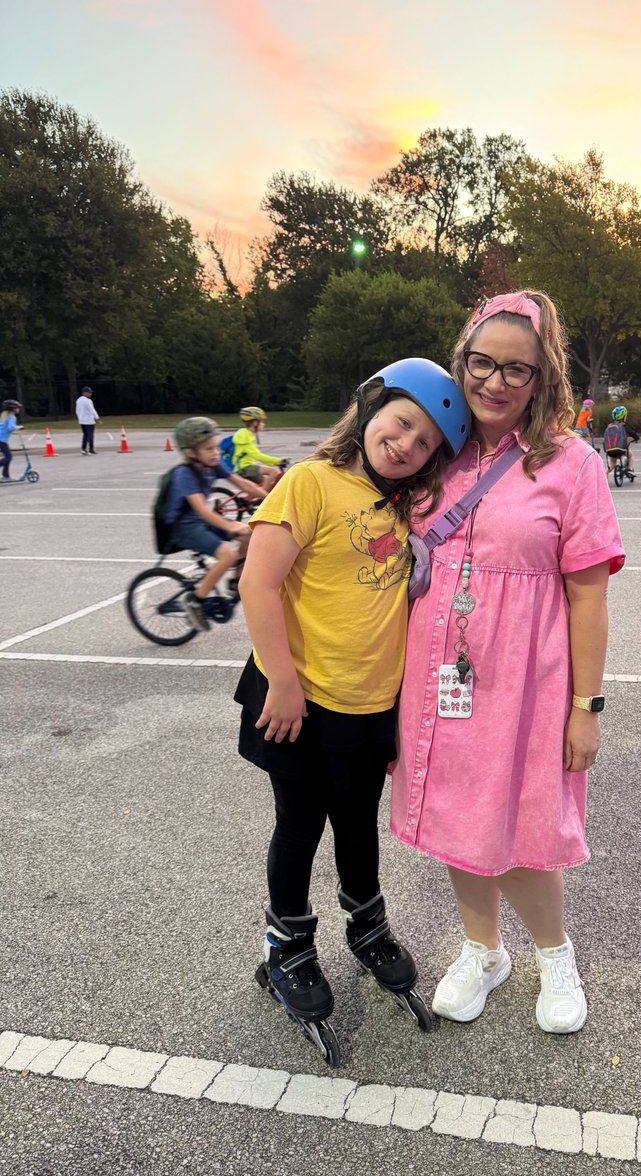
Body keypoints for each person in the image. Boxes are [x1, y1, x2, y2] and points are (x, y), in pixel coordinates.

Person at [390, 290, 625, 1035]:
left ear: (543, 376)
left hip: (527, 677)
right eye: (480, 362)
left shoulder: (571, 463)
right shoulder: (437, 450)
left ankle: (555, 954)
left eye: (515, 370)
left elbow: (588, 596)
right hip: (437, 673)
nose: (494, 382)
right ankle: (483, 950)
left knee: (523, 820)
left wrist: (587, 706)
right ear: (459, 360)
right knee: (458, 814)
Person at [234, 359, 469, 1065]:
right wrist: (281, 680)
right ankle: (287, 948)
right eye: (401, 423)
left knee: (357, 828)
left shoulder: (404, 505)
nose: (406, 444)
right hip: (299, 700)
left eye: (425, 442)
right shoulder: (311, 482)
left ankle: (367, 930)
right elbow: (257, 581)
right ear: (370, 410)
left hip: (371, 705)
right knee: (300, 825)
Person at [165, 417, 267, 631]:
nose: (216, 453)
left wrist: (270, 499)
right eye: (208, 449)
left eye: (216, 447)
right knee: (228, 555)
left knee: (250, 534)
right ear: (191, 452)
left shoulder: (212, 465)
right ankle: (196, 600)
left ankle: (234, 582)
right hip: (184, 527)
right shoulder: (184, 474)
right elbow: (201, 509)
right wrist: (231, 527)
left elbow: (243, 484)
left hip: (201, 521)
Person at [231, 407, 286, 491]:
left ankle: (253, 500)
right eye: (262, 422)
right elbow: (257, 455)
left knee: (265, 485)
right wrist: (277, 461)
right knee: (272, 472)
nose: (263, 424)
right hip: (244, 468)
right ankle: (262, 498)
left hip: (247, 467)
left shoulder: (248, 434)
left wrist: (274, 462)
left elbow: (256, 456)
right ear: (255, 423)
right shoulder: (245, 436)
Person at [602, 405, 639, 476]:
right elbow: (633, 434)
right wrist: (636, 438)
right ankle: (630, 469)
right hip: (621, 449)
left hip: (610, 450)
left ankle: (603, 475)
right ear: (623, 416)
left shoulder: (609, 426)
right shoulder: (623, 426)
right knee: (630, 455)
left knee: (612, 464)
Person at [0, 399, 23, 481]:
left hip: (2, 439)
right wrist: (19, 427)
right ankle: (5, 476)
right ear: (13, 408)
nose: (18, 409)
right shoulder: (12, 417)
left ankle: (6, 476)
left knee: (7, 456)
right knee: (8, 457)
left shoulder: (4, 415)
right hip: (2, 440)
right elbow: (10, 427)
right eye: (17, 408)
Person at [75, 387, 101, 455]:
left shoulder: (78, 400)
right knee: (90, 435)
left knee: (85, 435)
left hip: (82, 420)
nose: (90, 394)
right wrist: (97, 418)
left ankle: (83, 449)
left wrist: (79, 418)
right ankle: (91, 449)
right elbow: (92, 410)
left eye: (90, 392)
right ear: (84, 393)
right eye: (89, 392)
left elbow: (77, 411)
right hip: (89, 421)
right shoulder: (88, 401)